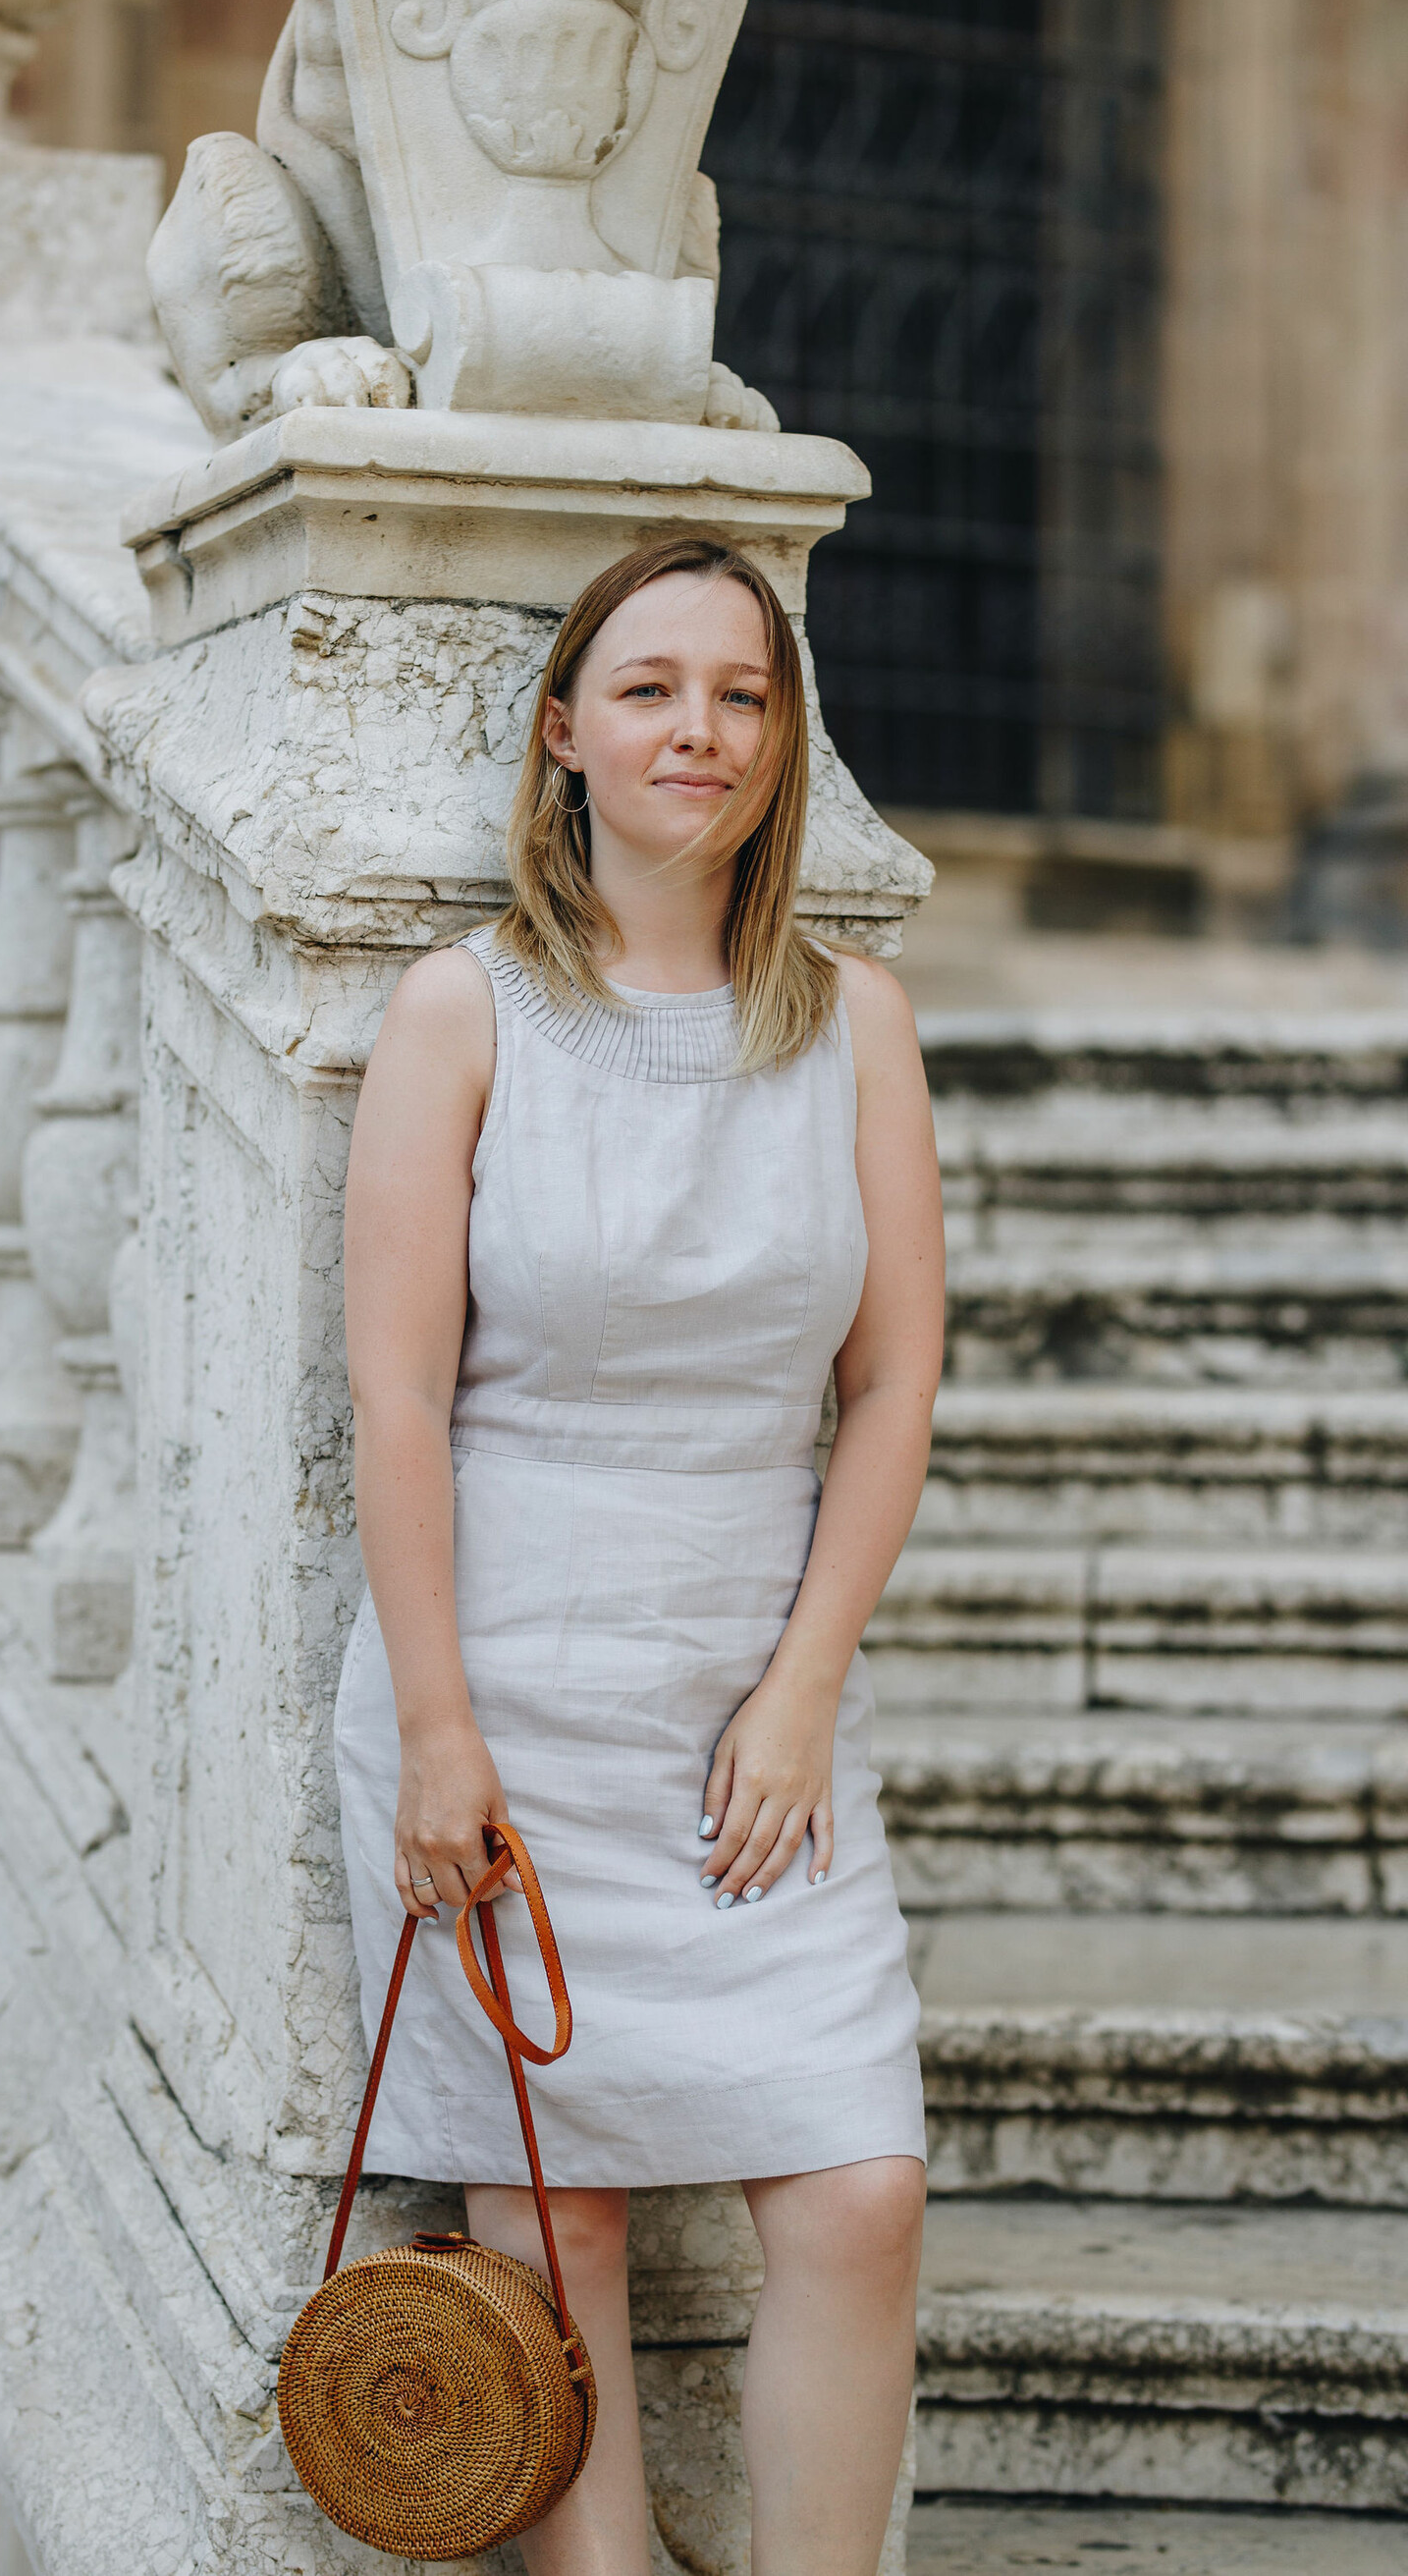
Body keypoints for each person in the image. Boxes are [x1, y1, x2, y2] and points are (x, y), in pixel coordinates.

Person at [336, 534, 942, 2576]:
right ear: (564, 731)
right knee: (554, 2219)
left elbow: (891, 1387)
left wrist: (800, 1691)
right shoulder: (464, 1014)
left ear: (783, 746)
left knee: (862, 2195)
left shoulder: (854, 1025)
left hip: (746, 1716)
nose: (702, 728)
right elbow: (400, 1397)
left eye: (746, 695)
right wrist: (436, 1729)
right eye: (656, 686)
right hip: (502, 1698)